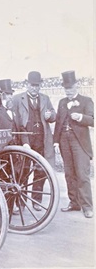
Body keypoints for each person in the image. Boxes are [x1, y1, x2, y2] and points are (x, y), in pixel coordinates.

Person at [12, 71, 56, 211]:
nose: (34, 88)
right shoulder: (18, 99)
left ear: (40, 86)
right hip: (25, 139)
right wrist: (24, 142)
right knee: (23, 172)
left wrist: (50, 116)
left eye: (37, 86)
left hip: (41, 140)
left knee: (40, 171)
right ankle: (21, 202)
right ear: (27, 84)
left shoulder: (45, 98)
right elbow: (16, 122)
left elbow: (54, 115)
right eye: (32, 85)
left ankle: (36, 200)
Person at [53, 71, 93, 218]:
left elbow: (92, 120)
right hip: (64, 141)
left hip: (79, 142)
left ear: (76, 86)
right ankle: (74, 202)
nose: (68, 91)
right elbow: (58, 123)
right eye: (66, 88)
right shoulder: (62, 102)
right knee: (69, 173)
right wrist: (56, 141)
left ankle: (87, 206)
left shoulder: (86, 101)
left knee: (82, 174)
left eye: (70, 88)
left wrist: (81, 117)